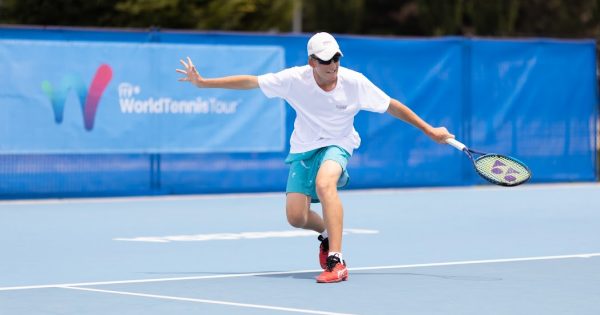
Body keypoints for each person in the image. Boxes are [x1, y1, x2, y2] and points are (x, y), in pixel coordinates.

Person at [177, 32, 454, 283]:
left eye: (336, 58)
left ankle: (337, 260)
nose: (333, 65)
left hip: (339, 143)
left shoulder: (354, 82)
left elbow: (391, 105)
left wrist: (428, 130)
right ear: (312, 62)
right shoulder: (293, 79)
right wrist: (203, 83)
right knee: (296, 217)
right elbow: (252, 81)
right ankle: (326, 234)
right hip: (304, 147)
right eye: (325, 60)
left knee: (325, 183)